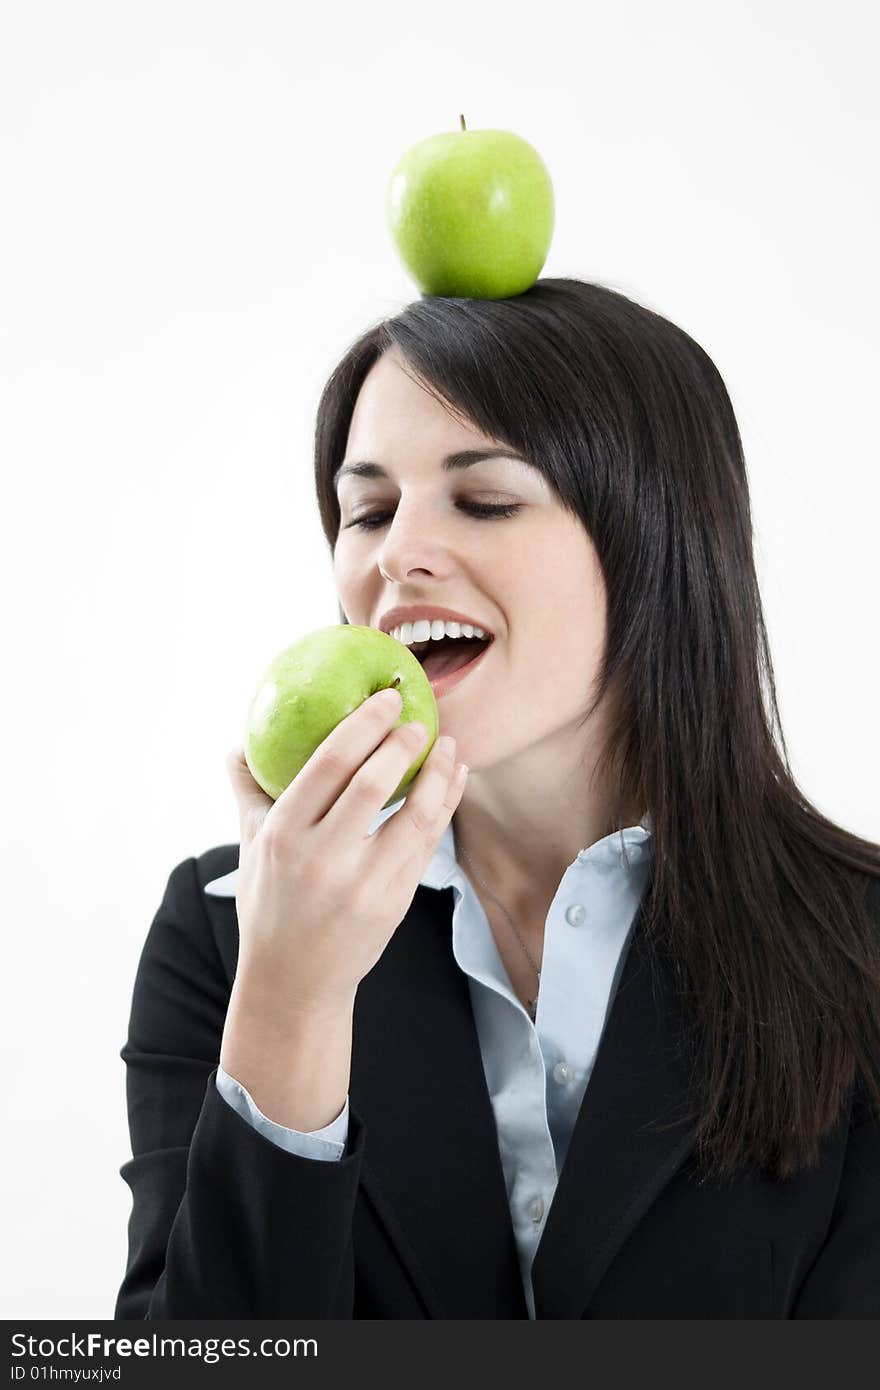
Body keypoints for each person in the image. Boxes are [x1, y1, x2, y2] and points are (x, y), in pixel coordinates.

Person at [115, 279, 880, 1319]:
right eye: (368, 511)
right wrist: (292, 994)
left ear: (653, 541)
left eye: (484, 500)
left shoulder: (860, 947)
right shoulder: (225, 930)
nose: (395, 556)